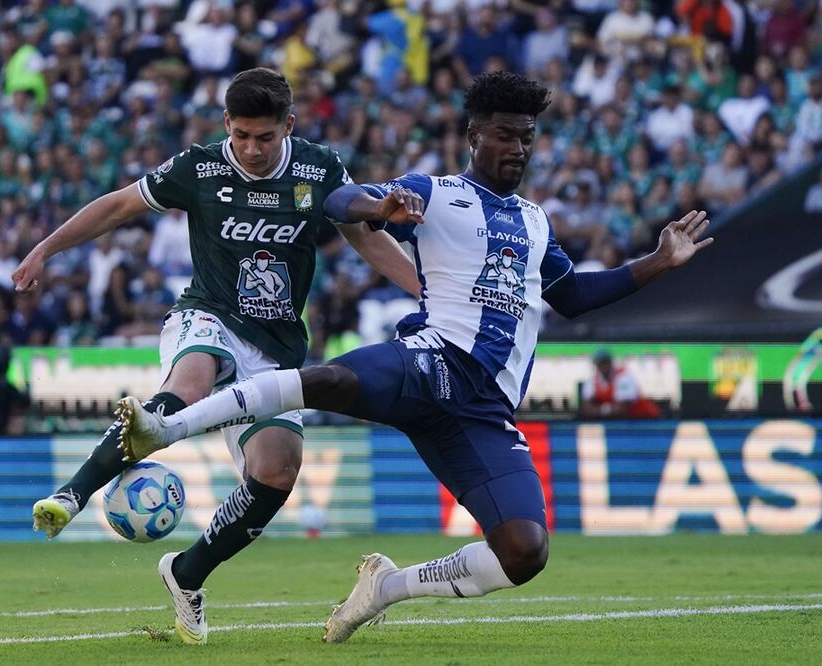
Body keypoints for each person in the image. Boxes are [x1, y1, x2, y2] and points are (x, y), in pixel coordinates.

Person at [118, 71, 713, 643]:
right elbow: (341, 200)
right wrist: (378, 206)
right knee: (326, 379)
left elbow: (575, 297)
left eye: (527, 136)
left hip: (483, 411)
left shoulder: (536, 223)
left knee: (525, 551)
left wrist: (658, 262)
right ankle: (166, 425)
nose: (518, 147)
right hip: (430, 363)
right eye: (505, 134)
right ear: (474, 135)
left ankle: (387, 586)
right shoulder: (436, 193)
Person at [12, 67, 422, 644]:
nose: (251, 150)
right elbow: (118, 207)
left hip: (277, 346)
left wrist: (412, 270)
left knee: (277, 470)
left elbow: (355, 217)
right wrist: (45, 249)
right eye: (241, 136)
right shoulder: (199, 168)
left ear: (289, 127)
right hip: (206, 317)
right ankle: (71, 494)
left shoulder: (315, 167)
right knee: (191, 382)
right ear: (226, 124)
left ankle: (187, 573)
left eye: (265, 138)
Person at [579, 348, 660, 418]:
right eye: (598, 363)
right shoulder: (592, 380)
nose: (601, 366)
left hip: (646, 419)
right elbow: (586, 408)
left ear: (610, 362)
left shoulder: (624, 377)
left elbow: (622, 409)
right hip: (624, 423)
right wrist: (608, 409)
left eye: (604, 363)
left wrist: (598, 410)